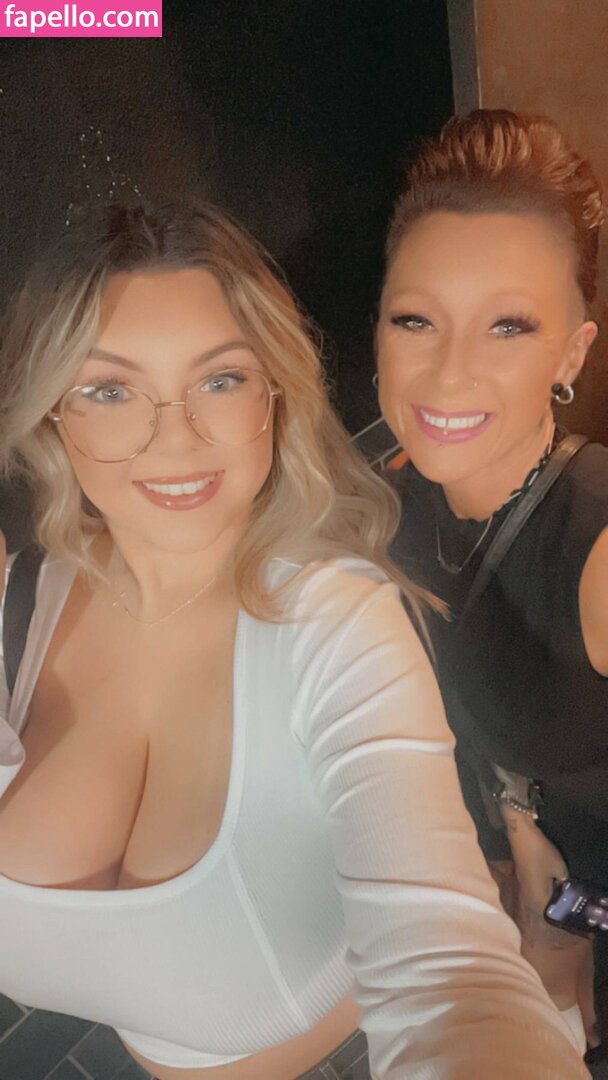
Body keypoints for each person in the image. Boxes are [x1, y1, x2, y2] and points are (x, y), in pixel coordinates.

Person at [0, 202, 589, 1080]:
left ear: (274, 392)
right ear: (54, 412)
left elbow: (448, 973)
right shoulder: (16, 601)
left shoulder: (338, 620)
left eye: (221, 379)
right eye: (110, 390)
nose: (176, 437)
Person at [376, 109, 608, 1058]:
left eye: (508, 326)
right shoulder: (394, 497)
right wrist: (513, 822)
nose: (449, 372)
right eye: (416, 319)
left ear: (571, 354)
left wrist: (571, 894)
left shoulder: (596, 548)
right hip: (505, 853)